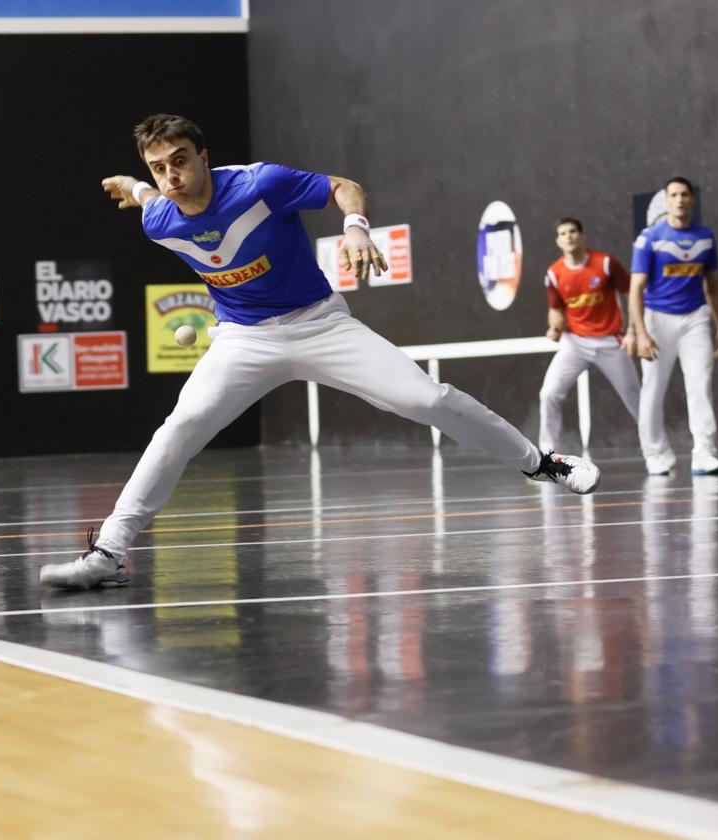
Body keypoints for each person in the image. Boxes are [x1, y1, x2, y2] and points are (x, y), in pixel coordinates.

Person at [40, 114, 600, 590]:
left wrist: (355, 229)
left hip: (320, 324)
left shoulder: (260, 184)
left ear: (204, 156)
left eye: (180, 161)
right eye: (159, 168)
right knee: (178, 428)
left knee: (427, 398)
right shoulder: (159, 214)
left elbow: (342, 186)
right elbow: (144, 198)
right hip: (243, 339)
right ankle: (108, 553)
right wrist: (133, 186)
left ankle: (543, 463)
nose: (171, 177)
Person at [627, 177, 718, 476]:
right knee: (653, 388)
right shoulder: (649, 238)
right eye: (674, 195)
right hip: (658, 319)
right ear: (666, 200)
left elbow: (712, 285)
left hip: (696, 318)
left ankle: (704, 453)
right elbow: (636, 289)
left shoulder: (706, 237)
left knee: (700, 384)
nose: (680, 200)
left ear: (692, 200)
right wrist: (641, 332)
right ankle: (654, 452)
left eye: (685, 194)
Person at [538, 217, 641, 453]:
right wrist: (555, 328)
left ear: (582, 236)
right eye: (563, 233)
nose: (569, 236)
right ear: (558, 241)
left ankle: (657, 452)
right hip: (575, 343)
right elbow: (556, 310)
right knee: (549, 394)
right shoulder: (554, 273)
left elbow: (631, 294)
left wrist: (634, 331)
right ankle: (547, 457)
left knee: (635, 398)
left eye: (573, 231)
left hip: (611, 341)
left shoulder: (605, 263)